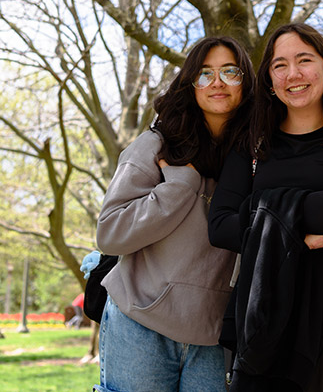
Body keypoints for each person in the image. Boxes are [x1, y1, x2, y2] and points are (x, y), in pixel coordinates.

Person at [208, 23, 323, 392]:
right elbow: (220, 226)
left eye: (304, 60)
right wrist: (297, 234)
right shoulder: (252, 145)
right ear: (269, 79)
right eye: (280, 65)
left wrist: (261, 212)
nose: (293, 74)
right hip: (262, 297)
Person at [94, 36, 255, 392]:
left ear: (246, 82)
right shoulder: (156, 145)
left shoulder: (256, 157)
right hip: (139, 322)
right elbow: (109, 232)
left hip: (213, 336)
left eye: (230, 72)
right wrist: (177, 188)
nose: (217, 82)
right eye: (204, 73)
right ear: (190, 84)